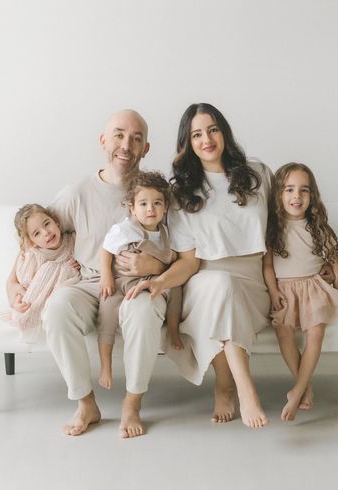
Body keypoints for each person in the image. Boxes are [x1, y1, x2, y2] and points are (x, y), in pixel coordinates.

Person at [8, 110, 167, 438]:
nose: (127, 144)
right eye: (119, 135)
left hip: (140, 284)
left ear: (146, 148)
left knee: (142, 312)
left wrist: (156, 268)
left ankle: (132, 403)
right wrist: (12, 285)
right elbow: (35, 239)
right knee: (57, 309)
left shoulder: (154, 193)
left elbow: (181, 250)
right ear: (103, 141)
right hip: (89, 283)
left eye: (136, 138)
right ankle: (85, 403)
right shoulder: (77, 193)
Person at [127, 103, 272, 429]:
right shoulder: (181, 192)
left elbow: (279, 234)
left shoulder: (258, 174)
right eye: (196, 134)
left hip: (253, 281)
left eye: (212, 129)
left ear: (224, 132)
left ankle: (225, 384)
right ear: (187, 143)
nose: (206, 139)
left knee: (230, 290)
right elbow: (189, 262)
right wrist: (162, 282)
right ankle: (242, 388)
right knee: (221, 286)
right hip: (205, 278)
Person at [262, 163, 338, 421]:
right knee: (284, 332)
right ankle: (305, 386)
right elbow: (267, 266)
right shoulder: (272, 229)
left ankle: (298, 390)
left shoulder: (317, 226)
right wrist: (272, 291)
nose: (296, 196)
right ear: (279, 194)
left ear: (312, 196)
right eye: (289, 189)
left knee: (316, 333)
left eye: (304, 190)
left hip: (313, 288)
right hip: (285, 290)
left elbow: (334, 260)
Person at [97, 171, 183, 390]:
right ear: (132, 207)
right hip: (122, 281)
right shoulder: (124, 230)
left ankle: (173, 329)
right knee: (106, 313)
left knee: (177, 288)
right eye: (143, 204)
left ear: (165, 207)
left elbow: (170, 256)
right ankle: (105, 365)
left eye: (157, 203)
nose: (150, 209)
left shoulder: (165, 232)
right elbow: (105, 252)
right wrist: (106, 277)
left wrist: (169, 260)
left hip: (149, 280)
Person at [2, 204, 79, 343]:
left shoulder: (73, 242)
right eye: (37, 233)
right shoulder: (31, 255)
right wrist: (16, 302)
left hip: (63, 301)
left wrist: (71, 270)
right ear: (32, 242)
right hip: (36, 300)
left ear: (55, 221)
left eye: (47, 224)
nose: (46, 233)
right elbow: (21, 283)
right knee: (48, 269)